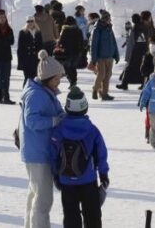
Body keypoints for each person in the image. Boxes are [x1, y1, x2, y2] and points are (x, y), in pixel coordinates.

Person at [49, 85, 109, 228]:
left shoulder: (59, 130)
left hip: (66, 180)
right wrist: (104, 174)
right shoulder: (92, 130)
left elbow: (52, 154)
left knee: (71, 217)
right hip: (88, 180)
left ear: (67, 108)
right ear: (85, 108)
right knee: (92, 216)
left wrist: (56, 175)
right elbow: (101, 154)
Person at [19, 50, 66, 228]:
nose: (59, 81)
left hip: (38, 150)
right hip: (38, 153)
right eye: (57, 78)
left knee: (35, 193)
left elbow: (54, 111)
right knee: (43, 198)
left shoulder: (44, 91)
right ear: (47, 78)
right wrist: (54, 121)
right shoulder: (36, 95)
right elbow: (31, 121)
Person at [89, 10, 119, 101]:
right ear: (105, 19)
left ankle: (104, 93)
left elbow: (114, 42)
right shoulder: (97, 29)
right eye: (108, 18)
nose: (110, 20)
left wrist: (116, 54)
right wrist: (94, 59)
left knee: (108, 75)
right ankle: (95, 89)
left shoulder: (109, 28)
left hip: (110, 56)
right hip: (100, 57)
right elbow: (94, 45)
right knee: (101, 74)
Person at [0, 10, 16, 105]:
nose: (3, 19)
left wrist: (3, 41)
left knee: (7, 78)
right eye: (1, 18)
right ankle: (0, 97)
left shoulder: (9, 29)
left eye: (4, 17)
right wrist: (5, 41)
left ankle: (7, 97)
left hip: (7, 56)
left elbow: (12, 41)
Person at [117, 14, 148, 90]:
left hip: (135, 50)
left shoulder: (136, 28)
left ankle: (124, 83)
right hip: (142, 50)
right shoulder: (142, 27)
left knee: (129, 68)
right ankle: (143, 83)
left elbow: (132, 42)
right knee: (142, 68)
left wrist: (130, 52)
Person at [56, 16, 85, 88]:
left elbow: (61, 41)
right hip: (76, 52)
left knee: (67, 67)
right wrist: (81, 51)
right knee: (73, 67)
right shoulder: (78, 30)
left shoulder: (65, 30)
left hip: (67, 52)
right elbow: (82, 42)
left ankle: (71, 80)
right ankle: (74, 81)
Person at [18, 17, 43, 87]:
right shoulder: (22, 32)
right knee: (27, 78)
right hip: (27, 60)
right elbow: (20, 48)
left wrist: (42, 59)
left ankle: (34, 94)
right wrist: (20, 62)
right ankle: (25, 93)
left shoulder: (38, 32)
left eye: (31, 21)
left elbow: (41, 46)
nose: (30, 23)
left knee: (36, 78)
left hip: (36, 60)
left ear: (34, 22)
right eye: (28, 21)